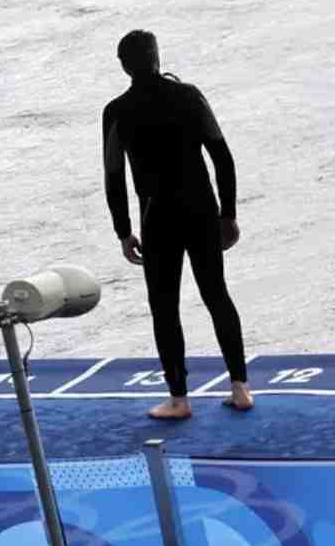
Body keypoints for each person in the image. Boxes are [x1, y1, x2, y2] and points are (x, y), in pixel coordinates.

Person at [102, 30, 253, 419]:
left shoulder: (117, 112)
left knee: (164, 307)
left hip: (158, 218)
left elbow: (114, 176)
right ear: (157, 56)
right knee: (217, 294)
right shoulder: (189, 95)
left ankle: (179, 400)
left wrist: (123, 230)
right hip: (201, 209)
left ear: (123, 66)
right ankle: (240, 389)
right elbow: (222, 156)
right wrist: (228, 213)